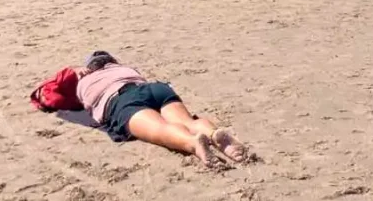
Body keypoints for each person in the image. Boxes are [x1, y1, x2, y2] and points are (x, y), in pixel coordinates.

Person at [75, 51, 247, 168]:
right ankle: (212, 133)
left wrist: (79, 75)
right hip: (154, 89)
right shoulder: (125, 69)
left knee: (160, 128)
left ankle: (193, 142)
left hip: (121, 100)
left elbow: (58, 98)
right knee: (187, 121)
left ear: (90, 68)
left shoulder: (84, 82)